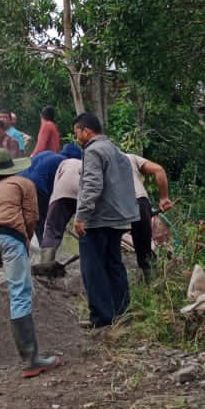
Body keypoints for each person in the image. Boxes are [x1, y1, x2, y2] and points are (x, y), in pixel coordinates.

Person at [0, 149, 61, 377]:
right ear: (11, 167)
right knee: (19, 292)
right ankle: (31, 359)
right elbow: (31, 217)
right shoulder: (23, 183)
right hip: (10, 236)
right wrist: (25, 240)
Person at [72, 113, 138, 327]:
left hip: (98, 219)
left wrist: (82, 216)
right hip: (118, 218)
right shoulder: (115, 150)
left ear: (86, 130)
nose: (77, 138)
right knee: (114, 264)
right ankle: (122, 312)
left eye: (77, 133)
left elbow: (92, 185)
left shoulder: (93, 151)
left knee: (92, 267)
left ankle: (101, 317)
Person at [35, 145, 84, 276]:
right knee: (87, 229)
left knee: (50, 227)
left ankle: (45, 263)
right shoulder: (70, 162)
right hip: (81, 191)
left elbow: (58, 188)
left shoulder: (47, 154)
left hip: (25, 183)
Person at [126, 153, 176, 282]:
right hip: (141, 203)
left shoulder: (99, 158)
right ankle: (154, 285)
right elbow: (159, 170)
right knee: (145, 252)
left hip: (120, 205)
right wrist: (164, 198)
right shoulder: (130, 157)